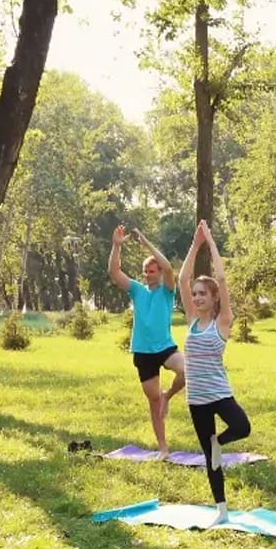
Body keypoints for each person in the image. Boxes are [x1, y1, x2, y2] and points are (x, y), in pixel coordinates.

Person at [178, 221, 252, 525]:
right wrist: (195, 246)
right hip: (196, 399)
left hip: (219, 394)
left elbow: (221, 277)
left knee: (242, 427)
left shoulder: (222, 322)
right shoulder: (192, 320)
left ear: (214, 297)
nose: (196, 298)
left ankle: (218, 442)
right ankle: (221, 511)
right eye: (195, 294)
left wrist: (211, 241)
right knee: (211, 461)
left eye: (202, 294)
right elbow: (183, 278)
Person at [109, 224, 185, 459]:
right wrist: (116, 246)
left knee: (187, 369)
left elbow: (169, 267)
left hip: (165, 348)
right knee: (152, 399)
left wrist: (146, 243)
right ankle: (163, 447)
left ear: (160, 273)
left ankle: (168, 395)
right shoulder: (137, 290)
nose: (150, 274)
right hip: (143, 352)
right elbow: (114, 273)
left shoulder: (167, 290)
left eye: (154, 271)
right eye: (147, 271)